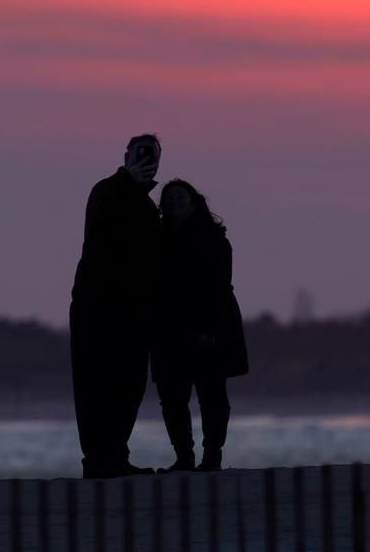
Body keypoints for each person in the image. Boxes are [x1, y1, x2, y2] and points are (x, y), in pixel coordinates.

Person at [70, 134, 163, 478]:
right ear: (126, 156)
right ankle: (98, 459)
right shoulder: (106, 190)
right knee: (96, 385)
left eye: (152, 156)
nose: (145, 160)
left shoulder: (149, 206)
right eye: (139, 154)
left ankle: (115, 456)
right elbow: (103, 227)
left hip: (135, 309)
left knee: (130, 384)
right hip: (97, 306)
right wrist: (128, 183)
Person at [151, 179, 248, 472]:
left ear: (194, 203)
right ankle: (184, 456)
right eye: (169, 199)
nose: (175, 203)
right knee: (171, 398)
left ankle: (212, 456)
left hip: (209, 330)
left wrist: (211, 331)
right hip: (169, 331)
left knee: (212, 397)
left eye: (181, 198)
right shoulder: (156, 240)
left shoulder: (214, 239)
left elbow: (220, 288)